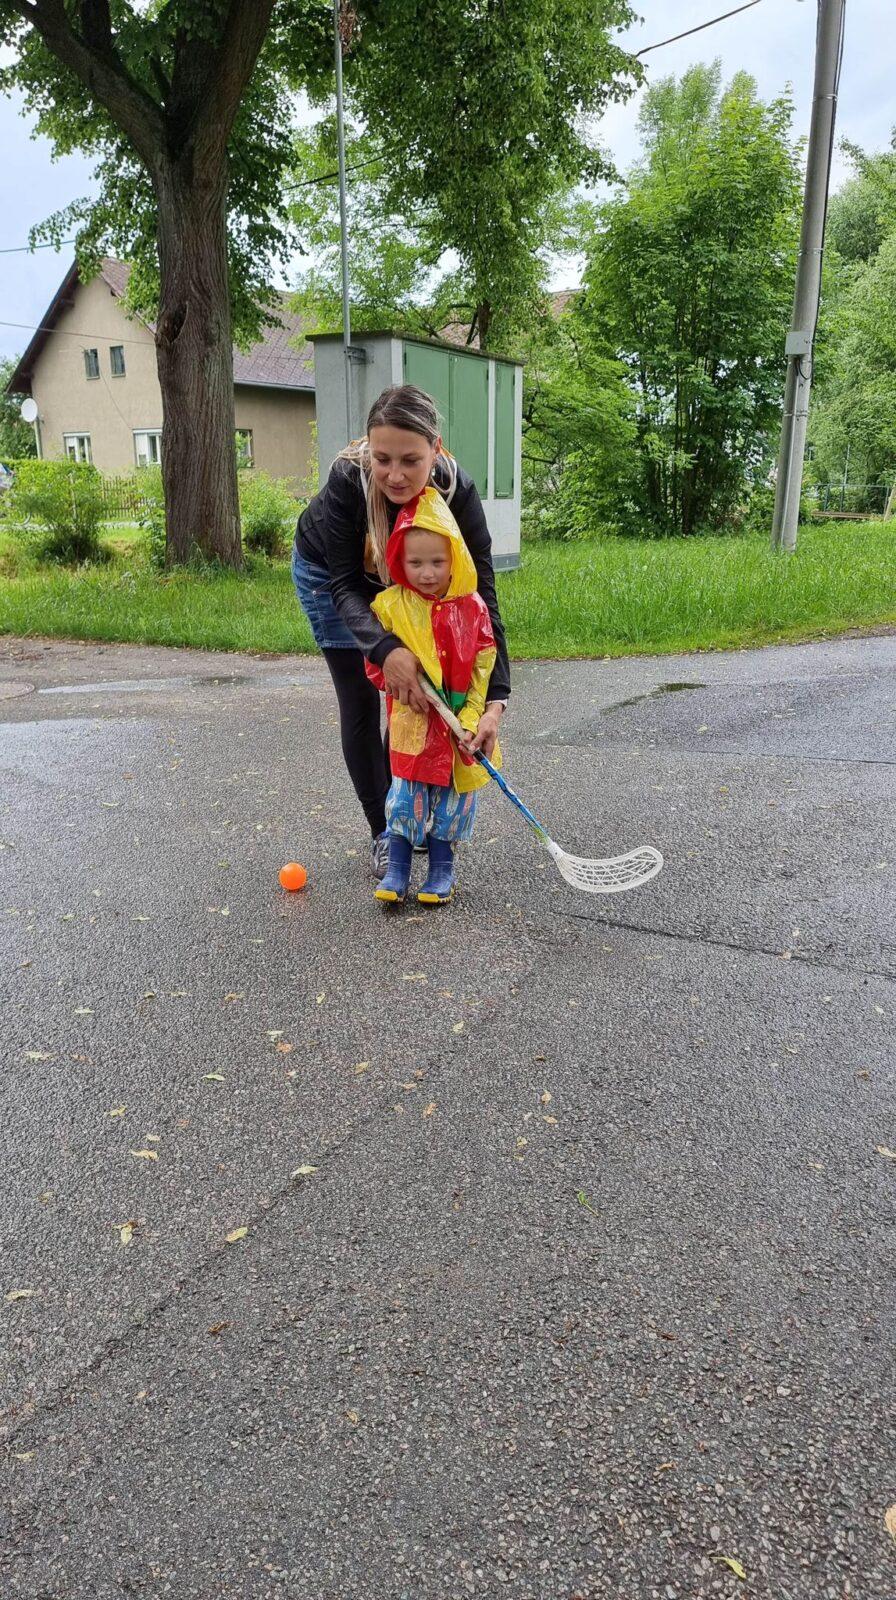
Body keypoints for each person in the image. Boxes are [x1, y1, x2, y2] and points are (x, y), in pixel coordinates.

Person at [291, 384, 510, 878]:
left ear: (436, 449)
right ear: (368, 449)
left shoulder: (456, 492)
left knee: (414, 700)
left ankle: (408, 815)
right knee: (361, 698)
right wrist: (385, 648)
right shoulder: (348, 480)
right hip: (331, 580)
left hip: (413, 583)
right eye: (382, 458)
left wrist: (495, 702)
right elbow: (345, 585)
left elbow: (482, 601)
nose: (394, 475)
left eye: (411, 460)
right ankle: (386, 834)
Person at [364, 486, 500, 905]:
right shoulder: (390, 607)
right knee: (405, 799)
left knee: (452, 803)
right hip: (413, 725)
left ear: (455, 557)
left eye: (438, 562)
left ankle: (442, 870)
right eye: (416, 563)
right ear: (399, 562)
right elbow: (375, 665)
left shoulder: (473, 609)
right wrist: (398, 682)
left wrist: (473, 717)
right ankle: (398, 869)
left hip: (459, 727)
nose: (427, 573)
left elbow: (483, 668)